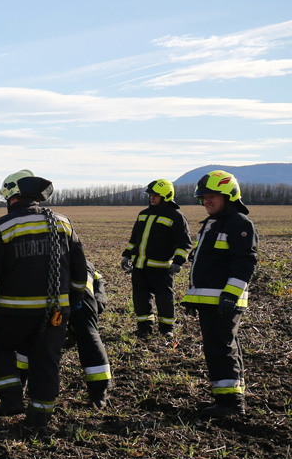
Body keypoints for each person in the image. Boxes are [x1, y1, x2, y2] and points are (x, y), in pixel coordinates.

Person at [0, 170, 88, 430]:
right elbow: (79, 268)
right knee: (46, 360)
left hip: (13, 310)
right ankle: (39, 417)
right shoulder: (63, 223)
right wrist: (76, 299)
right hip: (56, 311)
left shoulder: (2, 226)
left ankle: (11, 398)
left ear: (13, 197)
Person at [181, 170, 258, 418]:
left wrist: (230, 296)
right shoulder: (215, 224)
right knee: (216, 349)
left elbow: (245, 263)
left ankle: (232, 405)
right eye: (203, 197)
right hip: (211, 301)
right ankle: (224, 400)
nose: (206, 201)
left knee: (222, 349)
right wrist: (195, 297)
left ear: (230, 196)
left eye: (213, 196)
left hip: (223, 302)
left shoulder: (239, 224)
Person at [121, 179, 192, 339]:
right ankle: (144, 328)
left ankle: (167, 328)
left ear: (167, 196)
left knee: (164, 299)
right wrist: (126, 255)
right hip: (140, 267)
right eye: (151, 195)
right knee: (140, 299)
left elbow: (184, 243)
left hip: (161, 269)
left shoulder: (176, 216)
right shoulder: (143, 214)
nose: (152, 198)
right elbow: (134, 239)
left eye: (156, 195)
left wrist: (179, 262)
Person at [67, 259, 113, 409]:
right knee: (88, 333)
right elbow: (98, 282)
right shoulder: (84, 262)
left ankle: (19, 385)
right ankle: (99, 394)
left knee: (32, 333)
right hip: (81, 289)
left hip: (74, 290)